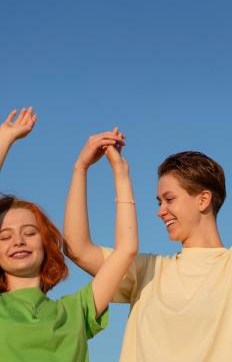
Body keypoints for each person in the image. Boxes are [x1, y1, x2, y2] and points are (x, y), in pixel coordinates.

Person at [63, 43, 232, 361]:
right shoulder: (147, 271)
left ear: (203, 199)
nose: (160, 211)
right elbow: (76, 247)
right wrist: (81, 169)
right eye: (158, 201)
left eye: (169, 199)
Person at [0, 107, 138, 362]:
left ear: (45, 243)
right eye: (4, 237)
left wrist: (101, 170)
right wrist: (4, 140)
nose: (18, 241)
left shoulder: (75, 310)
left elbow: (126, 249)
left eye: (29, 232)